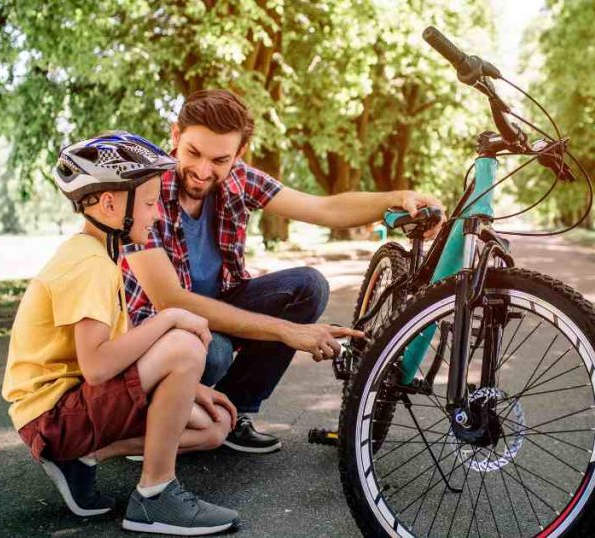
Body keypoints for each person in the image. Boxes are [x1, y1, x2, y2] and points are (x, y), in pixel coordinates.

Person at [122, 89, 445, 453]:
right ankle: (154, 418)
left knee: (308, 285)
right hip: (163, 328)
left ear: (239, 154)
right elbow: (172, 300)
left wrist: (397, 198)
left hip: (216, 306)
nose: (202, 171)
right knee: (214, 352)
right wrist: (288, 332)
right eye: (193, 152)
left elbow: (325, 209)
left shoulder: (239, 179)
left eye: (219, 159)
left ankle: (232, 412)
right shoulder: (144, 191)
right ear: (176, 135)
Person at [2, 132, 240, 535]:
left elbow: (116, 355)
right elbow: (96, 367)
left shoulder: (100, 256)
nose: (158, 215)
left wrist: (192, 390)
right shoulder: (89, 265)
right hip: (53, 416)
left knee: (212, 425)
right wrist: (169, 318)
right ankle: (155, 496)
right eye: (148, 203)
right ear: (110, 203)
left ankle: (82, 457)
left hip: (70, 412)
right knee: (183, 346)